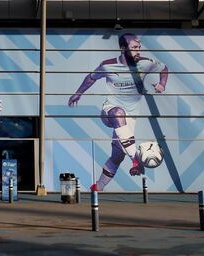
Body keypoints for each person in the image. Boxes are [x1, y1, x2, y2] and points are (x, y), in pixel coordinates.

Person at [68, 33, 168, 191]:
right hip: (110, 111)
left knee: (118, 154)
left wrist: (162, 84)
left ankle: (98, 186)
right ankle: (136, 159)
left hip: (130, 118)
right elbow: (91, 78)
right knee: (118, 113)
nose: (138, 51)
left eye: (139, 48)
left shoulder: (146, 63)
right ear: (123, 48)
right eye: (134, 48)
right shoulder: (108, 65)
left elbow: (164, 68)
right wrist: (78, 93)